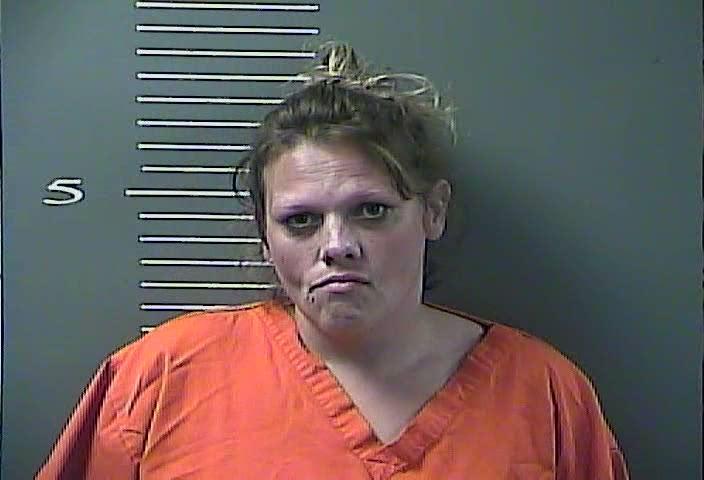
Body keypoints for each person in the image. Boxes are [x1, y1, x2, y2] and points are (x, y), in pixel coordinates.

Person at [37, 42, 629, 479]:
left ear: (432, 212)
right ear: (264, 237)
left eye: (371, 211)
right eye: (301, 221)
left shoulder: (543, 393)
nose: (337, 244)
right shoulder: (161, 376)